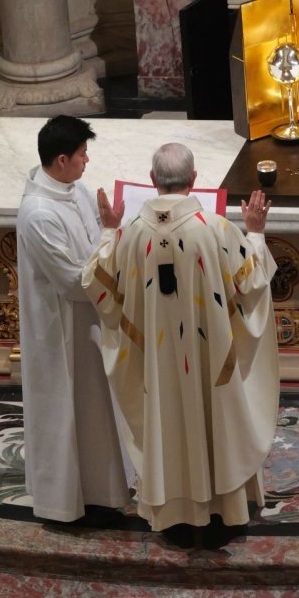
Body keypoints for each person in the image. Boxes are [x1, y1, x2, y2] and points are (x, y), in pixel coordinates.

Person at [83, 143, 279, 550]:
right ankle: (226, 507)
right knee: (217, 417)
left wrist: (107, 228)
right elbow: (252, 283)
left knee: (165, 418)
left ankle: (173, 511)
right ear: (194, 180)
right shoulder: (217, 229)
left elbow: (97, 282)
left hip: (157, 365)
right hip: (211, 363)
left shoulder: (130, 233)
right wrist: (256, 233)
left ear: (153, 180)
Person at [15, 115, 129, 524]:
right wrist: (113, 237)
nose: (87, 160)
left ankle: (100, 494)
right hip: (62, 330)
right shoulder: (39, 214)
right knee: (66, 412)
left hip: (89, 324)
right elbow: (73, 282)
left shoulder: (74, 190)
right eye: (82, 154)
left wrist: (112, 229)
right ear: (61, 159)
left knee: (96, 410)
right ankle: (65, 505)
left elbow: (96, 238)